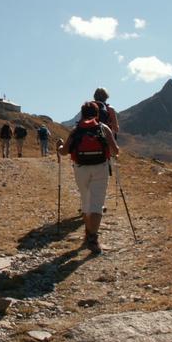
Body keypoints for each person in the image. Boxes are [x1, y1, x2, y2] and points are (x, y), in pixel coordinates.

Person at [57, 102, 119, 254]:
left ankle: (88, 233)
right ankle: (92, 238)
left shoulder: (76, 130)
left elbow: (64, 152)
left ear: (82, 114)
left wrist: (59, 146)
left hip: (81, 168)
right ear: (97, 114)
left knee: (86, 200)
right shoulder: (104, 128)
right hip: (100, 168)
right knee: (97, 204)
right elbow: (115, 151)